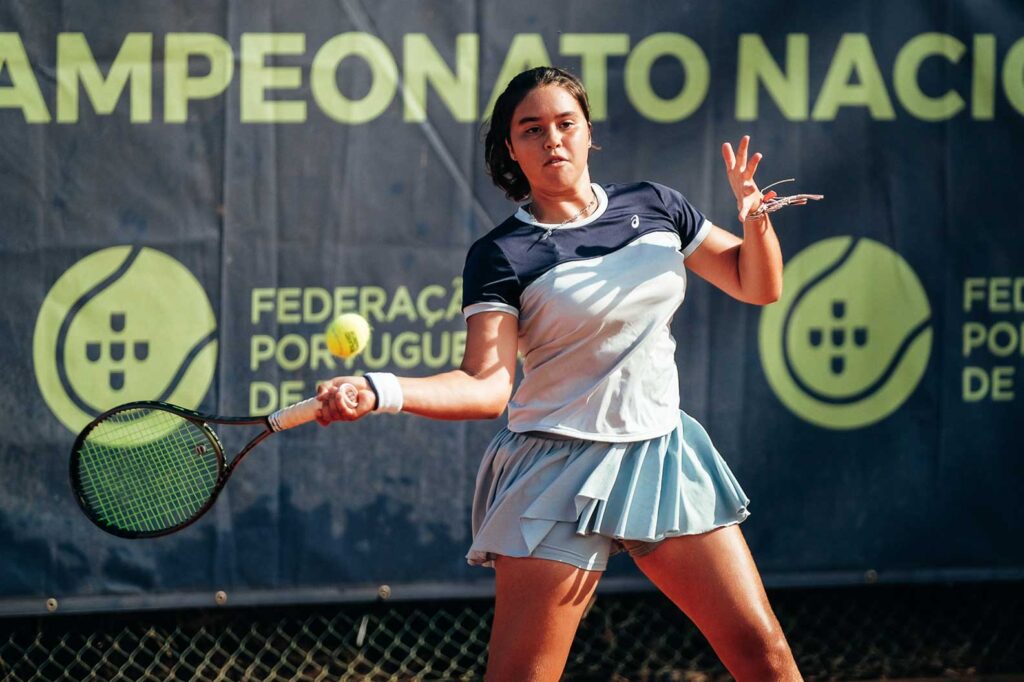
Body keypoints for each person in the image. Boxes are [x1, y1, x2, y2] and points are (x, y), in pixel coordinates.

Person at [316, 66, 802, 682]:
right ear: (511, 150)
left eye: (566, 124)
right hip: (557, 468)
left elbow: (757, 285)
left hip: (659, 453)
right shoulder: (502, 255)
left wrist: (756, 220)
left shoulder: (656, 205)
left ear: (588, 133)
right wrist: (381, 389)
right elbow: (487, 386)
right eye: (532, 129)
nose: (553, 139)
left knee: (765, 654)